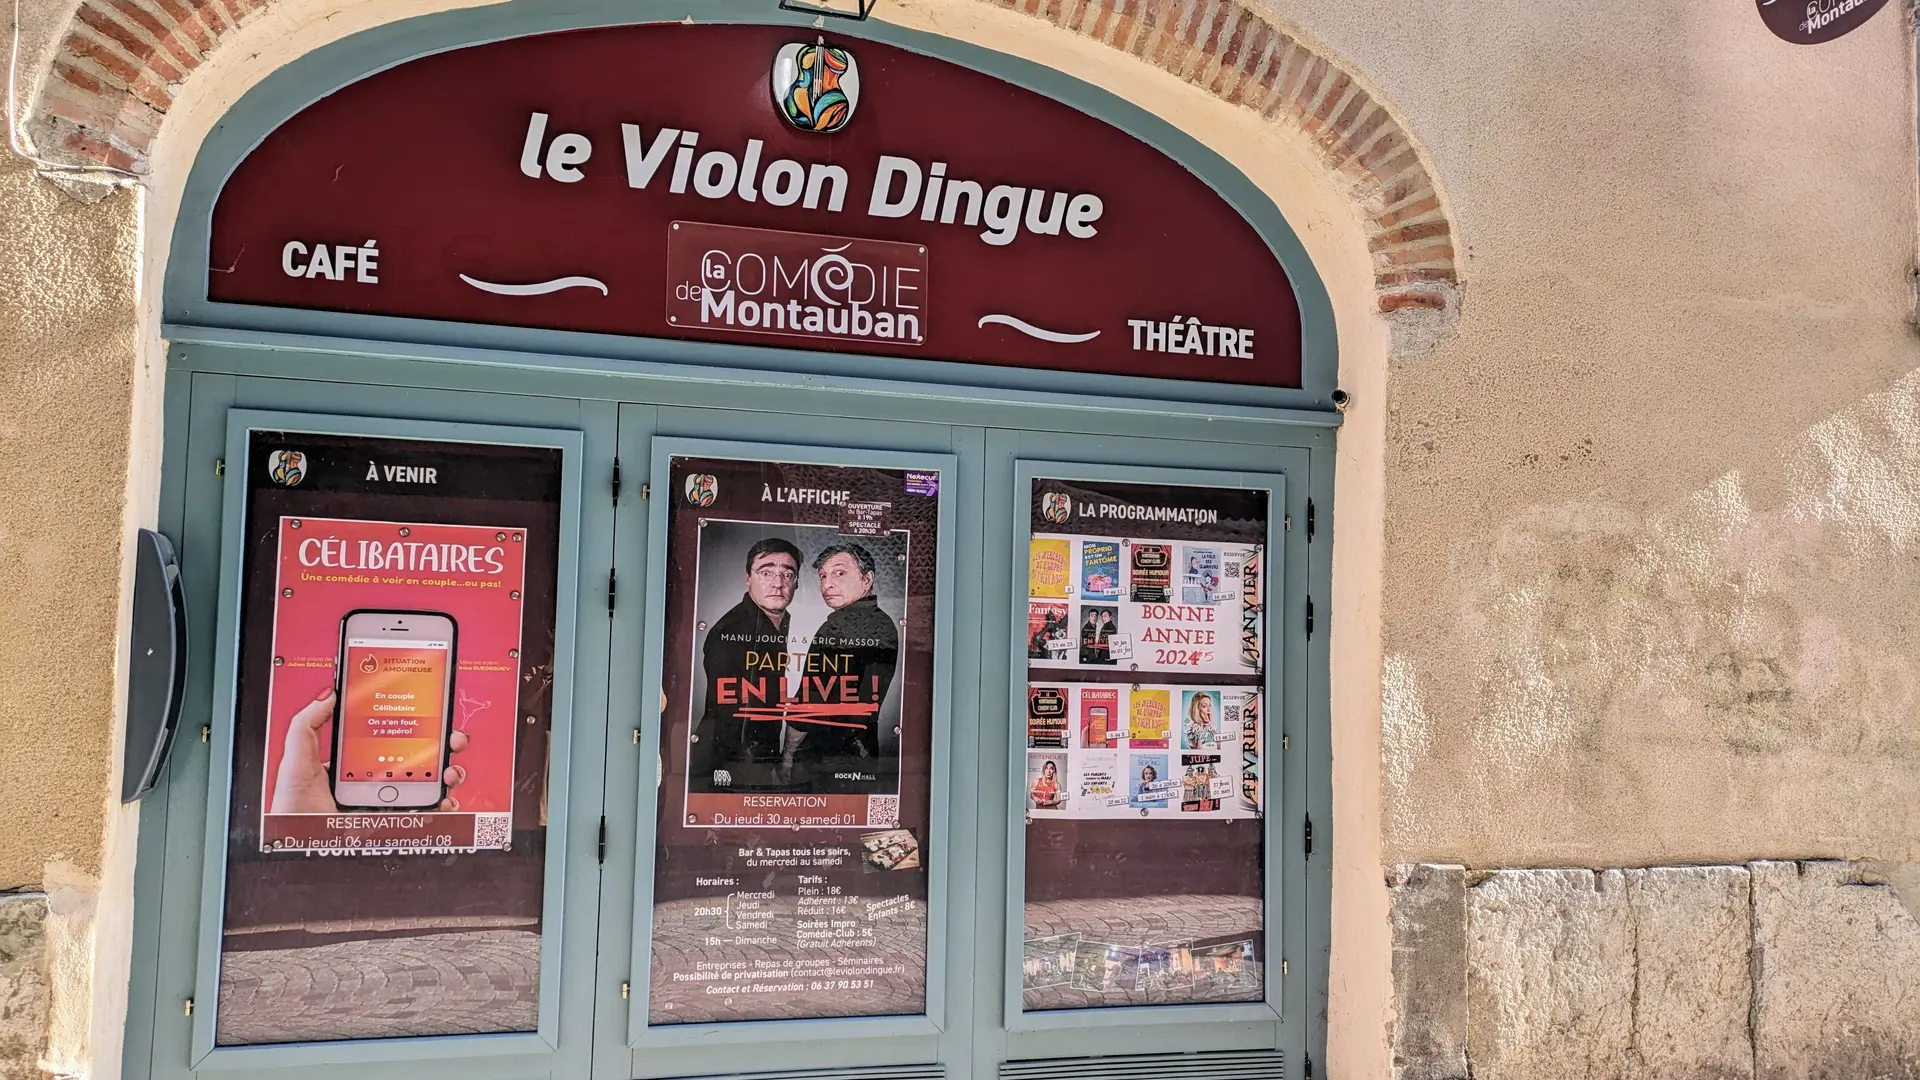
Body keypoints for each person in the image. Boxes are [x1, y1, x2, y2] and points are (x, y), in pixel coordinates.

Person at [693, 537, 802, 790]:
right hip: (732, 766)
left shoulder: (776, 621)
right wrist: (755, 771)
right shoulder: (731, 631)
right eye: (766, 572)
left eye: (788, 574)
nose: (778, 583)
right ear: (747, 578)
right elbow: (734, 717)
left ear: (797, 583)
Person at [789, 543, 899, 787]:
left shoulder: (837, 628)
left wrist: (787, 755)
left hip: (823, 760)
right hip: (862, 756)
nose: (827, 584)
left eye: (839, 573)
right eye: (823, 576)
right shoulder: (884, 623)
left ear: (867, 579)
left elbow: (808, 701)